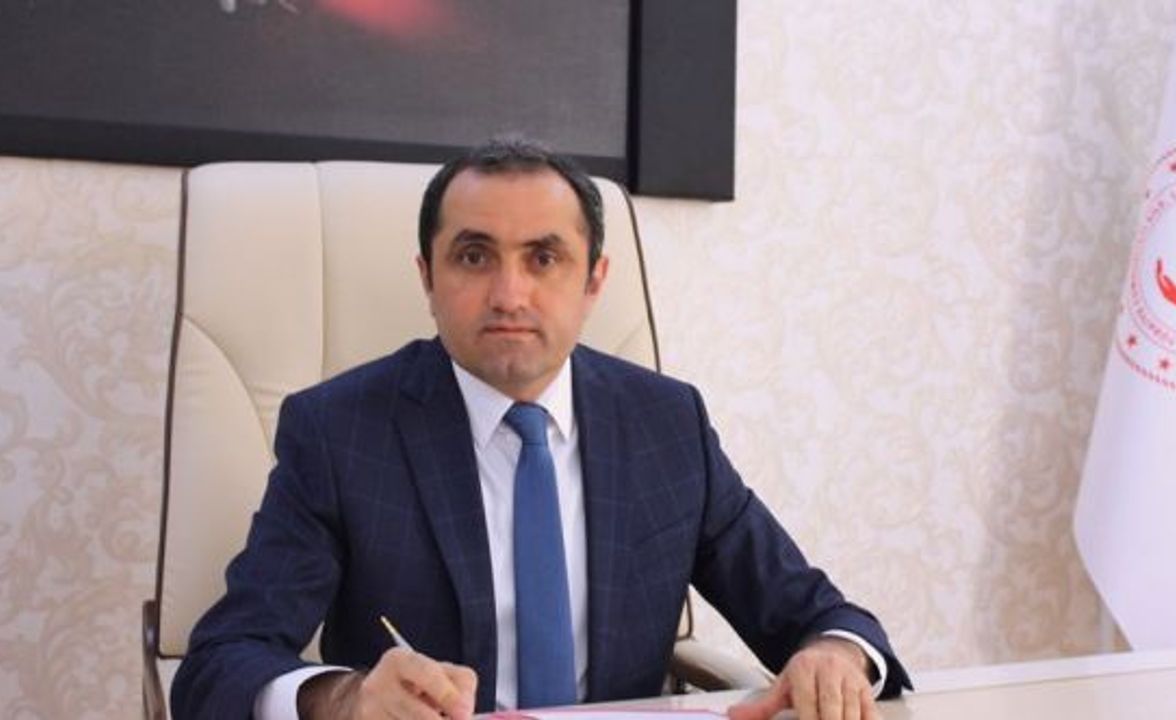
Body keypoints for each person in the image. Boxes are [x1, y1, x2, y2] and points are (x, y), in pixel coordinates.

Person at [171, 136, 910, 720]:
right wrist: (346, 699)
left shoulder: (667, 425)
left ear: (594, 281)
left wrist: (834, 657)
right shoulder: (338, 432)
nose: (509, 293)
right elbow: (220, 663)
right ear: (427, 277)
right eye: (473, 256)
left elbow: (822, 617)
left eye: (544, 257)